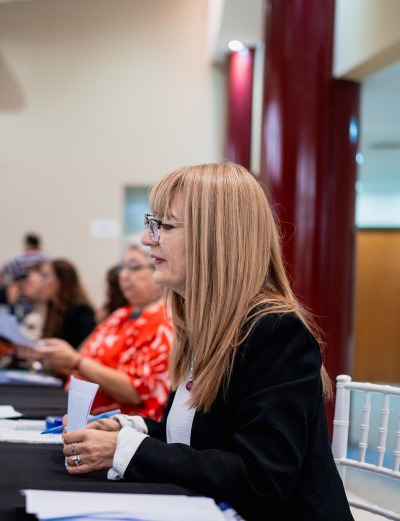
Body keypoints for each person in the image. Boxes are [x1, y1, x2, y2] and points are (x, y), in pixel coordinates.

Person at [59, 162, 353, 520]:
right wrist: (126, 429)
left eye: (164, 225)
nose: (147, 238)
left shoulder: (276, 333)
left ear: (216, 238)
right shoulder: (207, 325)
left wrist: (127, 450)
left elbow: (260, 480)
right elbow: (196, 442)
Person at [22, 248, 172, 419]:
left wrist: (76, 362)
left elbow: (136, 391)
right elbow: (82, 355)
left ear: (159, 269)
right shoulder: (121, 314)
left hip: (119, 429)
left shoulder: (165, 321)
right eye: (121, 268)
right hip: (86, 418)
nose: (123, 276)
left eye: (133, 267)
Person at [25, 259, 96, 348]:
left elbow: (89, 348)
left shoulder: (80, 311)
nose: (41, 282)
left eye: (45, 276)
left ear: (61, 280)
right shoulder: (52, 308)